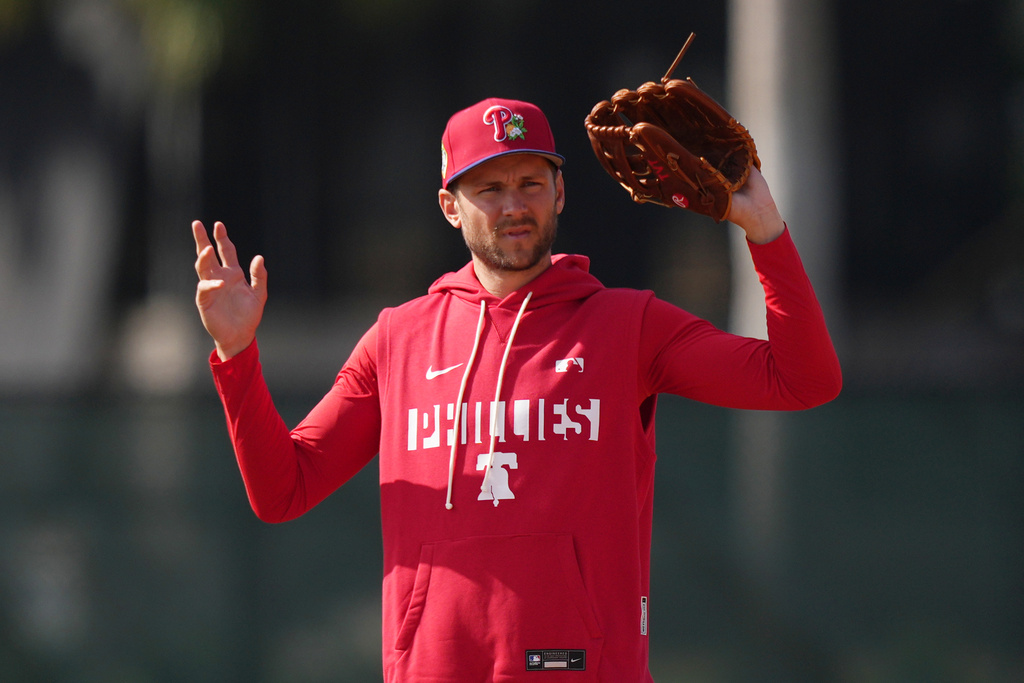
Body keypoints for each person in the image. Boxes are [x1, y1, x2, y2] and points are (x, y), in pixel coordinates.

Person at [192, 97, 841, 682]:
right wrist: (237, 353)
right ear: (450, 206)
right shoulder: (397, 340)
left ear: (560, 193)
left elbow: (804, 380)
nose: (513, 205)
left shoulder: (627, 324)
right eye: (489, 187)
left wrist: (766, 233)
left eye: (531, 183)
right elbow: (283, 490)